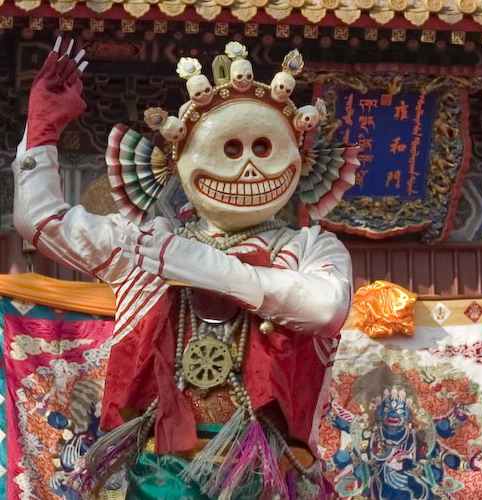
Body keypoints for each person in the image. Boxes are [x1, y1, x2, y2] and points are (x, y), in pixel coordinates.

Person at [13, 36, 357, 499]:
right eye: (230, 149)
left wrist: (194, 262)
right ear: (177, 162)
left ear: (299, 160)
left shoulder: (310, 247)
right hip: (160, 472)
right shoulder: (147, 245)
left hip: (269, 467)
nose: (249, 169)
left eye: (263, 147)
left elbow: (325, 308)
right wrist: (41, 130)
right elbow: (41, 221)